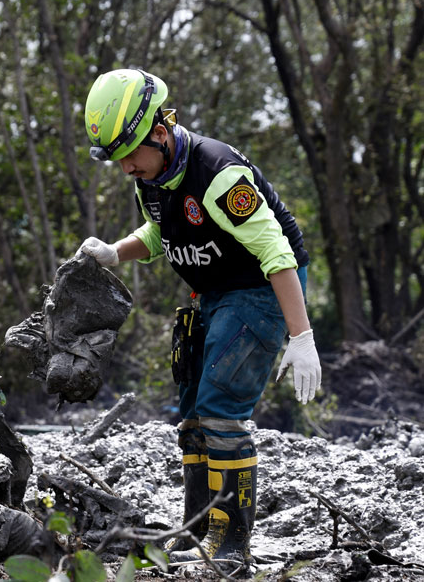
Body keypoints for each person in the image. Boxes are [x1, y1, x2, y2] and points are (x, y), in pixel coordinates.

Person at [77, 68, 322, 570]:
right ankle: (195, 529)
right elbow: (159, 232)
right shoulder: (152, 177)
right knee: (190, 416)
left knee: (220, 412)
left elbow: (276, 253)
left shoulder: (218, 174)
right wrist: (112, 254)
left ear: (160, 135)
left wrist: (301, 335)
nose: (125, 169)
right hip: (210, 293)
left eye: (129, 156)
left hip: (260, 290)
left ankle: (232, 544)